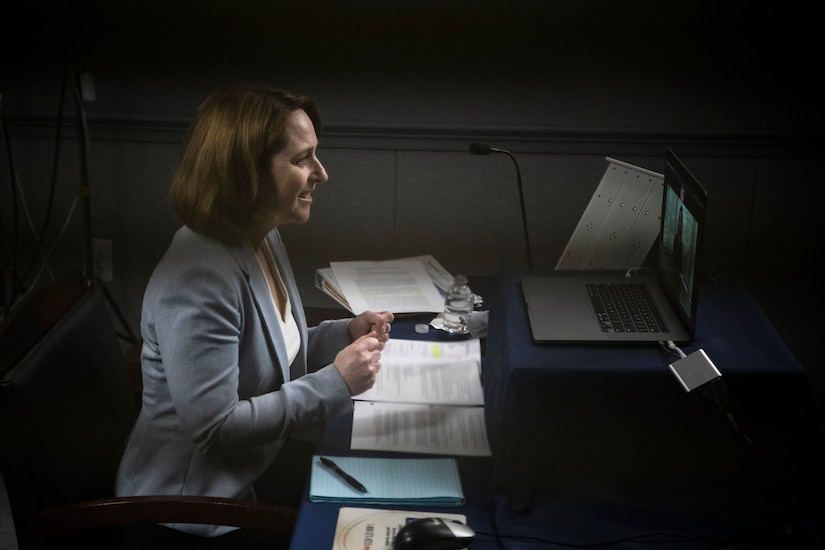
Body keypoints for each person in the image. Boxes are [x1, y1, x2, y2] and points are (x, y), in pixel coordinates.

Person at [114, 87, 394, 545]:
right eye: (302, 159)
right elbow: (216, 428)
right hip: (190, 510)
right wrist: (336, 383)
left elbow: (270, 348)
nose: (321, 173)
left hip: (252, 473)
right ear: (247, 173)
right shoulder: (198, 278)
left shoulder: (259, 235)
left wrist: (343, 334)